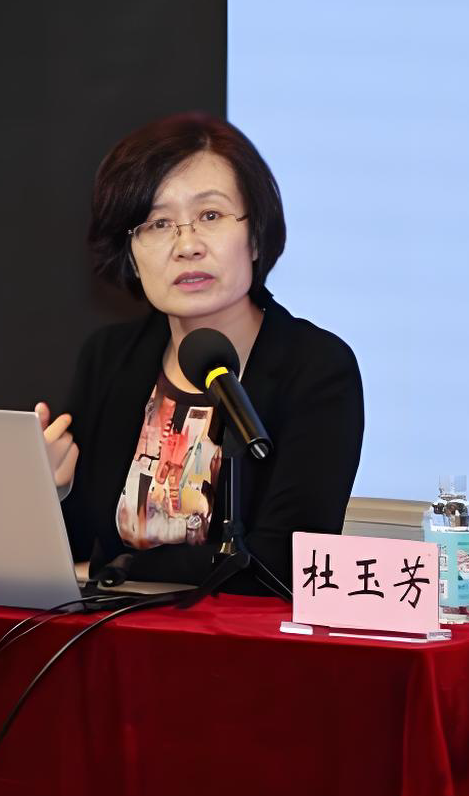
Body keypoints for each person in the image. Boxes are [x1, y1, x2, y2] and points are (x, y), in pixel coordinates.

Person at [35, 112, 364, 593]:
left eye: (210, 216)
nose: (187, 245)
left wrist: (118, 569)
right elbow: (78, 548)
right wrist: (50, 492)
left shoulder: (316, 368)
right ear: (131, 254)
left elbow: (281, 565)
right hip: (111, 631)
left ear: (255, 235)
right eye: (157, 223)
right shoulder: (110, 358)